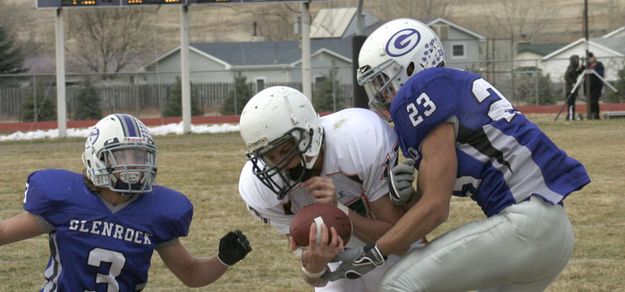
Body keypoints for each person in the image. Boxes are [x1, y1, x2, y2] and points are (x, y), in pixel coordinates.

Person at [326, 18, 591, 291]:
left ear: (411, 66)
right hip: (552, 233)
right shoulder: (448, 90)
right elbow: (426, 204)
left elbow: (436, 209)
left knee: (398, 284)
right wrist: (407, 198)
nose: (382, 95)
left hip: (528, 226)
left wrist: (375, 252)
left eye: (383, 81)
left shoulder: (422, 91)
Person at [0, 113, 251, 291]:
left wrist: (222, 260)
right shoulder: (65, 199)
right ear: (97, 159)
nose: (135, 165)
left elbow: (191, 274)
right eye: (123, 156)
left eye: (141, 156)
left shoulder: (157, 212)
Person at [237, 86, 424, 291]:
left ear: (309, 134)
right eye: (270, 157)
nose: (281, 164)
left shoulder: (357, 140)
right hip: (340, 262)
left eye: (285, 150)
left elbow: (401, 241)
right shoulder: (260, 188)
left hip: (392, 252)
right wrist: (314, 267)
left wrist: (340, 210)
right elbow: (315, 278)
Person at [564, 54, 584, 120]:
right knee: (570, 103)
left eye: (578, 59)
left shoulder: (575, 67)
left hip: (573, 88)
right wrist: (572, 83)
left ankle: (570, 116)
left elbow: (578, 72)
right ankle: (570, 117)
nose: (578, 60)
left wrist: (582, 67)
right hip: (570, 89)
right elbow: (567, 76)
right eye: (576, 59)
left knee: (572, 103)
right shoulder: (571, 67)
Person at [586, 52, 605, 119]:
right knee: (589, 100)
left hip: (597, 85)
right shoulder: (587, 65)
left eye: (592, 57)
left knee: (594, 100)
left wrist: (593, 70)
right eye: (589, 58)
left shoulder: (599, 64)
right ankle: (590, 114)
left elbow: (601, 73)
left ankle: (596, 115)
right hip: (588, 86)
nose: (591, 59)